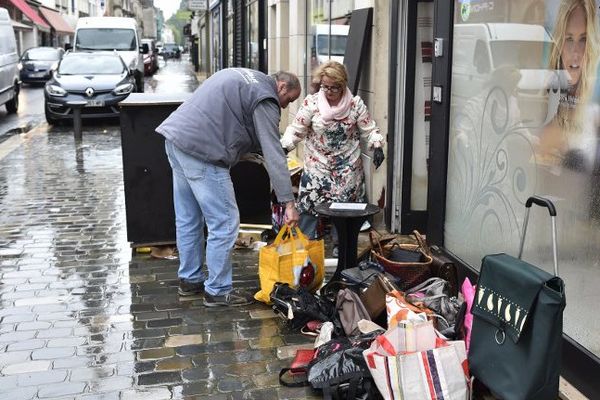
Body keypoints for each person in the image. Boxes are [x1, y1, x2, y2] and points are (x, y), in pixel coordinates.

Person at [156, 68, 301, 306]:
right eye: (289, 100)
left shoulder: (244, 76)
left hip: (176, 140)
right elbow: (274, 152)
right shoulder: (265, 96)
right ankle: (218, 291)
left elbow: (230, 121)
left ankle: (190, 279)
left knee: (188, 218)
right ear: (282, 87)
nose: (285, 107)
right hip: (203, 153)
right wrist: (288, 202)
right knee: (224, 222)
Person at [281, 61, 385, 254]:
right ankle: (306, 246)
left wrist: (377, 145)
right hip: (317, 165)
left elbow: (369, 129)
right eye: (325, 86)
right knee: (308, 205)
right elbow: (296, 129)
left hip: (347, 167)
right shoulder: (312, 103)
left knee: (344, 209)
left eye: (334, 87)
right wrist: (285, 146)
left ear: (343, 85)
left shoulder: (355, 105)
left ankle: (342, 247)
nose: (328, 91)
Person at [537, 0, 600, 170]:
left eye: (583, 39)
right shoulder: (546, 101)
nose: (575, 52)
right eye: (569, 39)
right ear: (559, 45)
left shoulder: (592, 112)